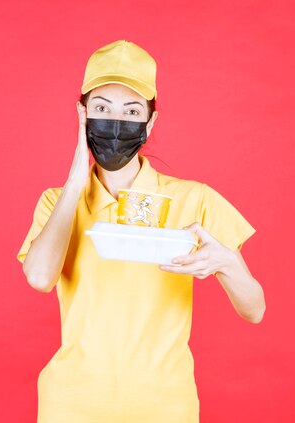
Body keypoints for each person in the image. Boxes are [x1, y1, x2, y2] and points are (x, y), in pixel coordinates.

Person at [17, 39, 265, 423]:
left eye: (131, 111)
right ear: (82, 114)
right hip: (71, 402)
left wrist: (227, 263)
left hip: (165, 405)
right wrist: (75, 179)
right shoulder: (57, 203)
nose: (116, 123)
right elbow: (38, 277)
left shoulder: (192, 199)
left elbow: (255, 310)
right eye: (101, 109)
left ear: (150, 122)